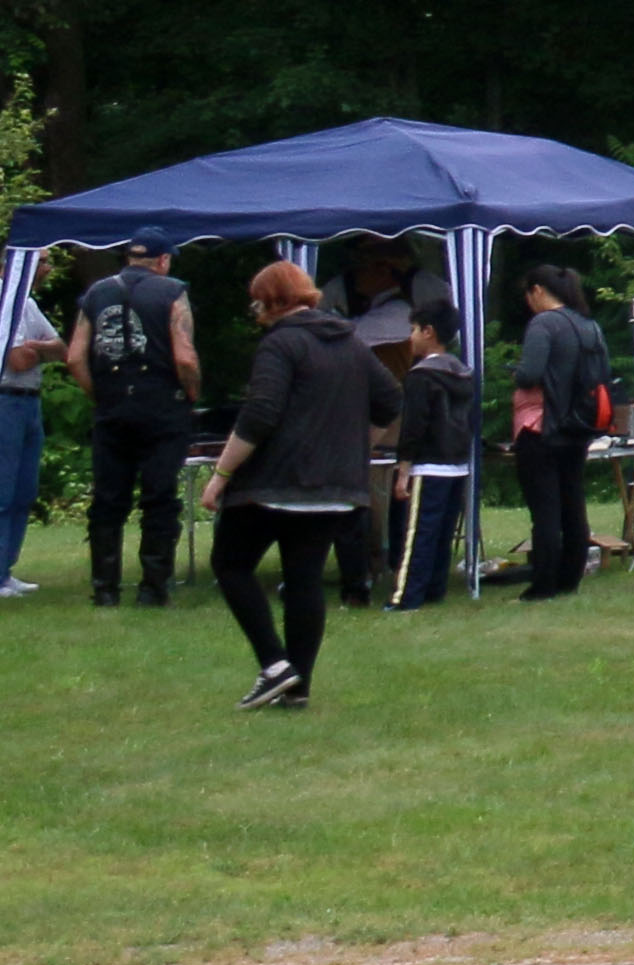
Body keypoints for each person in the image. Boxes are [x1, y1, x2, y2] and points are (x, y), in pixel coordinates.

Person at [202, 260, 382, 710]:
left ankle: (276, 665)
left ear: (271, 301)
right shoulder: (351, 342)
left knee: (230, 564)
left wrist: (221, 474)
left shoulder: (280, 344)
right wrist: (352, 449)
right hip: (334, 486)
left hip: (273, 484)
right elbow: (391, 400)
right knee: (304, 580)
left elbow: (261, 413)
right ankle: (297, 689)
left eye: (257, 300)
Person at [72, 238, 204, 607]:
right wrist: (191, 393)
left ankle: (105, 588)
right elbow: (185, 357)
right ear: (163, 260)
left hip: (113, 410)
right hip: (162, 407)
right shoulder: (173, 292)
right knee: (159, 497)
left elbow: (74, 358)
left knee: (108, 500)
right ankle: (153, 588)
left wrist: (100, 395)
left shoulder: (96, 293)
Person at [505, 262, 610, 597]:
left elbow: (530, 373)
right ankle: (570, 577)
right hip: (578, 426)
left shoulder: (543, 324)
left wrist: (516, 373)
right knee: (573, 504)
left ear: (537, 291)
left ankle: (544, 582)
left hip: (542, 427)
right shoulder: (589, 325)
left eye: (528, 296)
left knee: (545, 509)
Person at [0, 261, 61, 598]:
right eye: (43, 260)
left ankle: (4, 569)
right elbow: (16, 360)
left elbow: (61, 348)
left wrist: (37, 348)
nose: (49, 268)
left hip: (28, 401)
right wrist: (34, 348)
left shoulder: (26, 303)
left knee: (22, 491)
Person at [389, 319, 484, 609]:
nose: (411, 337)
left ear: (429, 331)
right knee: (442, 532)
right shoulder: (463, 373)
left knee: (418, 533)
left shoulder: (421, 376)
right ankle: (434, 589)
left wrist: (403, 468)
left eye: (414, 329)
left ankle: (406, 596)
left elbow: (414, 425)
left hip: (428, 463)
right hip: (456, 463)